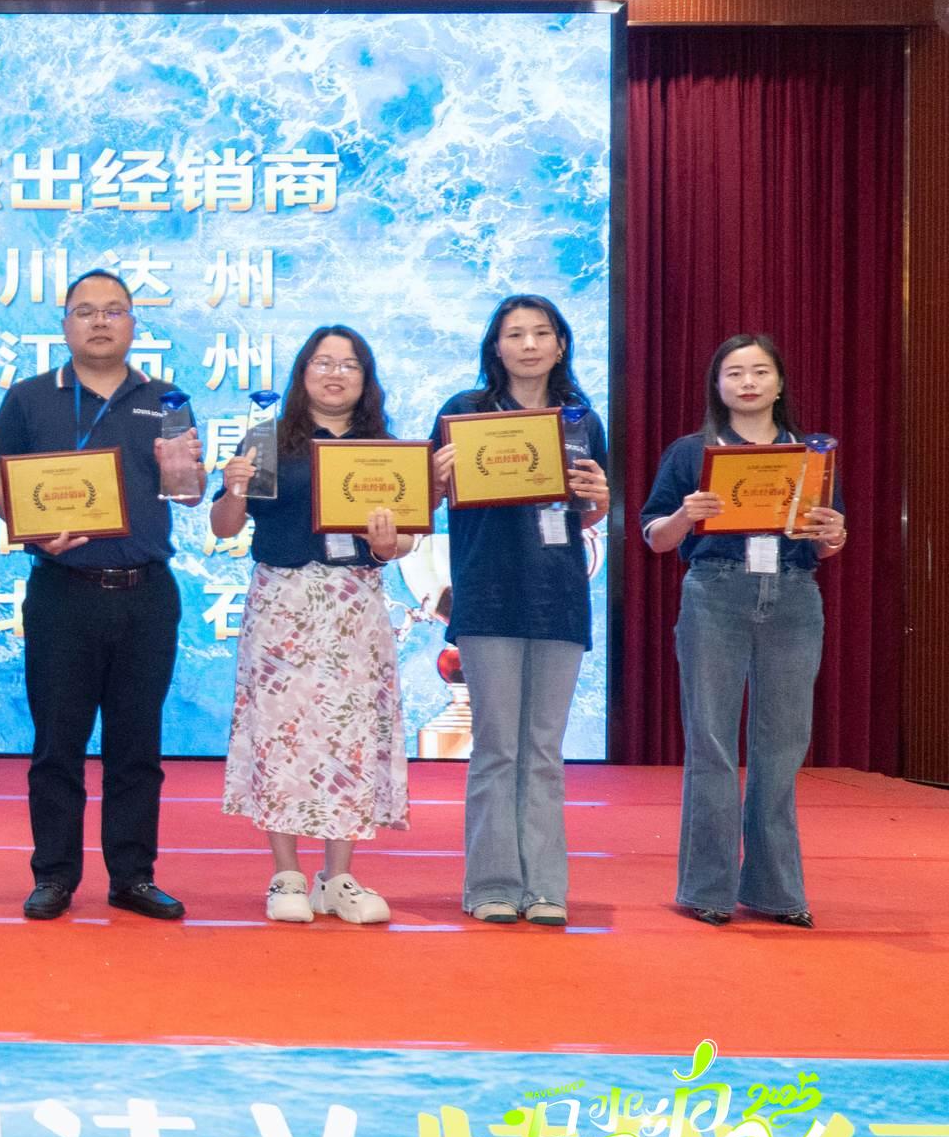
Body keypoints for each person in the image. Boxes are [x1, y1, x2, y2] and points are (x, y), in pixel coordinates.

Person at [0, 268, 202, 923]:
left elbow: (189, 493)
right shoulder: (29, 398)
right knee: (58, 744)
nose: (100, 321)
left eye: (113, 310)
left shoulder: (166, 400)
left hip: (146, 593)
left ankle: (133, 876)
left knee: (137, 746)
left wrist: (184, 475)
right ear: (65, 325)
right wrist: (28, 527)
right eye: (86, 311)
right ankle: (54, 875)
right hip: (62, 591)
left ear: (134, 324)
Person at [640, 334, 846, 928]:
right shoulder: (690, 452)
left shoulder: (812, 454)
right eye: (734, 373)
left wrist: (833, 535)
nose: (748, 382)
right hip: (715, 593)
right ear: (718, 385)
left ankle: (777, 892)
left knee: (782, 747)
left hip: (793, 595)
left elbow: (828, 542)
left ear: (779, 383)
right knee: (711, 743)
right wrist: (685, 516)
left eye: (760, 372)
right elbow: (655, 537)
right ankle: (707, 889)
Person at [213, 327, 414, 925]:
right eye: (322, 363)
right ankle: (286, 875)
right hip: (283, 604)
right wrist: (235, 488)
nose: (335, 374)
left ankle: (339, 877)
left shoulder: (385, 448)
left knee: (350, 736)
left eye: (348, 365)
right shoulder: (268, 441)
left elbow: (404, 540)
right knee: (281, 735)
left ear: (365, 379)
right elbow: (225, 526)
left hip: (355, 605)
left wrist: (388, 542)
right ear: (302, 374)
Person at [429, 295, 613, 926]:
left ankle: (546, 887)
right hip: (487, 595)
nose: (529, 345)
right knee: (496, 748)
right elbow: (429, 498)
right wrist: (435, 477)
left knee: (543, 750)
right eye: (515, 334)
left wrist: (601, 498)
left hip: (558, 596)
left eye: (541, 333)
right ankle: (490, 885)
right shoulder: (463, 413)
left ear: (560, 345)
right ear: (496, 347)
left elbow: (588, 513)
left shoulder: (581, 420)